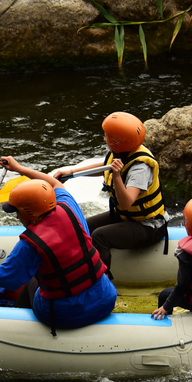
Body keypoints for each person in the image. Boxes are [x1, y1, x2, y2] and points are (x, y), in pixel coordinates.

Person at [0, 156, 117, 334]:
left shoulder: (30, 245)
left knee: (31, 282)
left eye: (17, 212)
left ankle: (18, 327)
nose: (17, 217)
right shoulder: (67, 206)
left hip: (65, 314)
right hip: (106, 297)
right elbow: (56, 184)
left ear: (29, 213)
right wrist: (20, 168)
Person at [55, 112, 167, 279]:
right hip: (126, 218)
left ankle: (102, 281)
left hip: (149, 227)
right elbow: (105, 166)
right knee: (81, 226)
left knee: (99, 236)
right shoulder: (124, 152)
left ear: (115, 142)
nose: (104, 139)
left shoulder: (140, 168)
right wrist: (72, 173)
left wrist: (116, 176)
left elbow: (127, 202)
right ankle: (74, 269)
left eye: (107, 136)